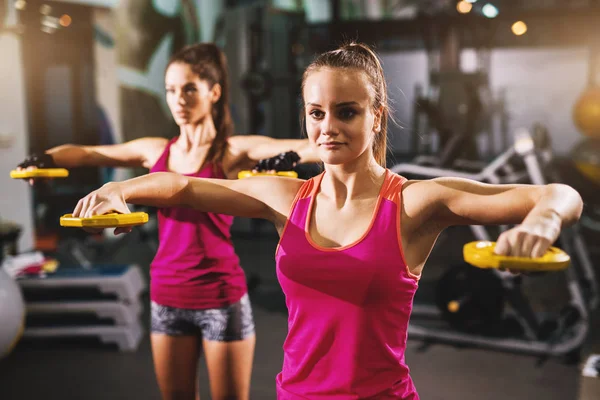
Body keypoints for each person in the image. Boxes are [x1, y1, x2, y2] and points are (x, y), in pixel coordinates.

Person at [70, 42, 583, 399]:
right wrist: (118, 187)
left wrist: (540, 222)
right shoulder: (283, 196)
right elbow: (182, 186)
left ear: (376, 115)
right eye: (316, 113)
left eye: (346, 112)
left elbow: (557, 193)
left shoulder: (413, 204)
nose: (328, 127)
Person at [16, 43, 319, 400]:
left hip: (220, 294)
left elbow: (310, 146)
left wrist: (287, 156)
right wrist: (44, 158)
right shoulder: (156, 150)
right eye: (171, 90)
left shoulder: (232, 150)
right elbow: (89, 152)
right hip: (166, 293)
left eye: (189, 88)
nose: (178, 99)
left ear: (214, 92)